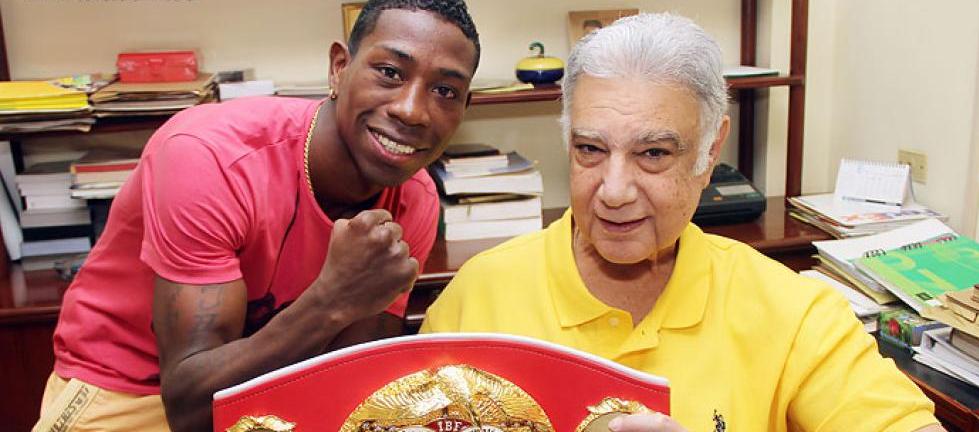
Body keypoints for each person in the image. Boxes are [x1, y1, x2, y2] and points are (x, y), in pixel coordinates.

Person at [422, 13, 945, 432]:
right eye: (590, 149)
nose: (614, 191)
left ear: (710, 150)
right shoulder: (478, 297)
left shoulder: (793, 312)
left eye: (653, 153)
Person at [34, 1, 480, 431]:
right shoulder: (210, 157)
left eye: (445, 91)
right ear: (339, 68)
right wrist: (332, 300)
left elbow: (349, 383)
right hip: (128, 385)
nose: (411, 110)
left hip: (276, 383)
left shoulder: (415, 198)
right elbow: (192, 410)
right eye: (390, 73)